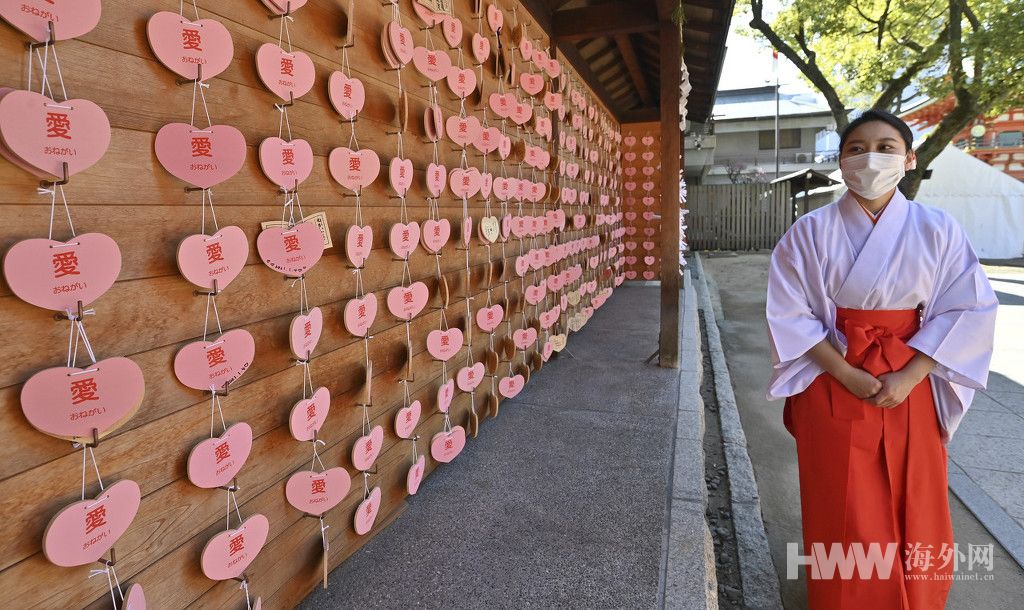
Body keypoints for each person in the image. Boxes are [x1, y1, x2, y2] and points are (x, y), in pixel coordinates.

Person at [765, 109, 998, 609]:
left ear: (909, 159)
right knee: (840, 505)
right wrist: (846, 372)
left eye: (886, 147)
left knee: (916, 497)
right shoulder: (808, 231)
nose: (870, 157)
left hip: (910, 378)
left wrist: (913, 374)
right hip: (831, 375)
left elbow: (968, 306)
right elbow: (789, 314)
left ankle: (917, 598)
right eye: (856, 148)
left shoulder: (938, 228)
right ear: (841, 161)